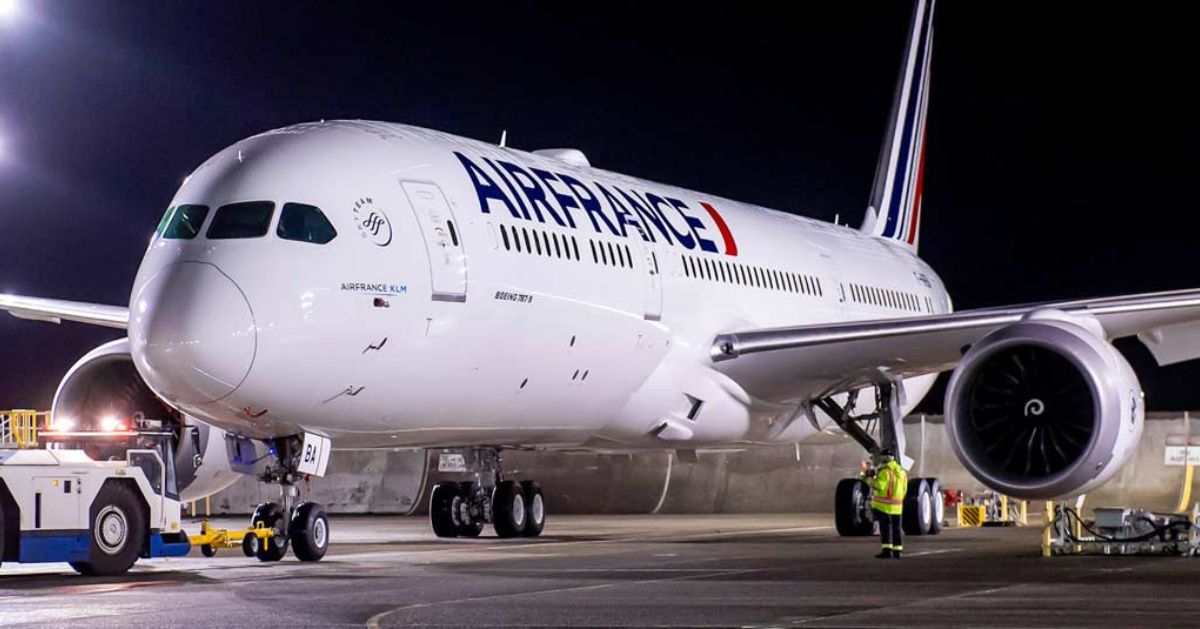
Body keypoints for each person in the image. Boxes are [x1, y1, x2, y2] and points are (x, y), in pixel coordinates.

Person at [870, 448, 907, 559]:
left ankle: (887, 551)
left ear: (884, 458)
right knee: (897, 528)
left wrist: (869, 479)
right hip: (897, 506)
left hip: (884, 506)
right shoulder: (901, 471)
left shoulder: (885, 471)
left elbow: (879, 486)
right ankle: (898, 551)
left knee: (886, 529)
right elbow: (905, 489)